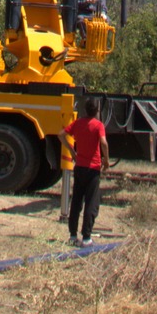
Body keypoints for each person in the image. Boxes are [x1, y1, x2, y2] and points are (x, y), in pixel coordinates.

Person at [63, 96, 109, 243]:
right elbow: (103, 142)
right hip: (93, 168)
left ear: (85, 109)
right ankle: (87, 237)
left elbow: (61, 134)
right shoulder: (98, 125)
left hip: (79, 167)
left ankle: (72, 235)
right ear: (97, 110)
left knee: (76, 201)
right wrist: (106, 160)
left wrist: (72, 152)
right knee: (91, 203)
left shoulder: (77, 123)